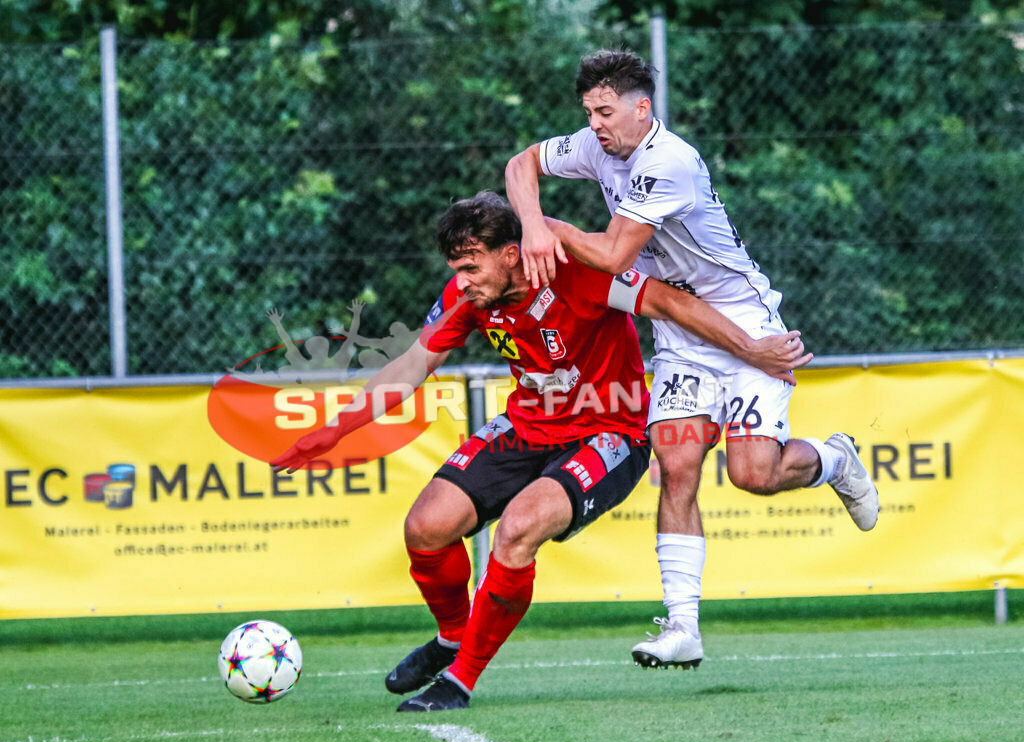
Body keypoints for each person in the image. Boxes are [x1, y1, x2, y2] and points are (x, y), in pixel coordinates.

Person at [271, 191, 810, 710]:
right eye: (457, 269)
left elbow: (669, 301)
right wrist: (334, 430)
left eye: (471, 267)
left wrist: (750, 349)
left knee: (519, 528)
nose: (462, 282)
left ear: (512, 254)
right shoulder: (468, 294)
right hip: (528, 426)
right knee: (425, 528)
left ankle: (460, 680)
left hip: (611, 432)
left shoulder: (579, 272)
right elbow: (412, 364)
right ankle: (454, 637)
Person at [504, 49, 879, 671]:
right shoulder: (596, 145)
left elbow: (611, 254)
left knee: (753, 474)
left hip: (743, 318)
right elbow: (521, 163)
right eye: (588, 112)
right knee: (677, 464)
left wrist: (549, 228)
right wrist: (530, 222)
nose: (594, 124)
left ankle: (835, 457)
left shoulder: (667, 161)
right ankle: (682, 626)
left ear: (640, 107)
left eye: (604, 111)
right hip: (679, 333)